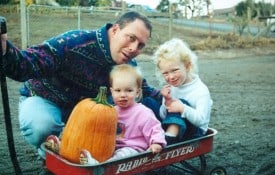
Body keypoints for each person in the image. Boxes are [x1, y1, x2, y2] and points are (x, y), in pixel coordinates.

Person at [0, 11, 161, 157]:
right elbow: (27, 64)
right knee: (42, 127)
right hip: (45, 99)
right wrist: (5, 48)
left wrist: (174, 103)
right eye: (131, 38)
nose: (134, 48)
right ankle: (53, 159)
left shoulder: (128, 65)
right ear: (115, 30)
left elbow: (145, 91)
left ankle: (76, 157)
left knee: (118, 113)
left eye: (140, 45)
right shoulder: (73, 42)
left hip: (84, 112)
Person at [79, 64, 166, 165]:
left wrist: (157, 142)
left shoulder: (143, 112)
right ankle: (74, 152)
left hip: (134, 149)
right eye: (118, 90)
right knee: (96, 145)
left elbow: (155, 129)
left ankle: (99, 167)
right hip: (113, 147)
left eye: (129, 90)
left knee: (123, 154)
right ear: (112, 92)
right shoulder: (111, 111)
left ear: (137, 92)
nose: (123, 95)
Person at [154, 38, 213, 145]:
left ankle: (168, 140)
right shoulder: (171, 88)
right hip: (175, 128)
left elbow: (202, 120)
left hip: (194, 133)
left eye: (175, 70)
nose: (171, 77)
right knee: (150, 102)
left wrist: (182, 108)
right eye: (165, 73)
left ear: (187, 66)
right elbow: (164, 117)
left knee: (180, 103)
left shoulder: (200, 91)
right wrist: (166, 101)